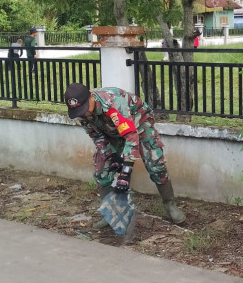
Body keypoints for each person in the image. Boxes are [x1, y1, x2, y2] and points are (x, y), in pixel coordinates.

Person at [63, 82, 186, 226]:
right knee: (102, 171)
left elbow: (131, 137)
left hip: (139, 124)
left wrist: (125, 172)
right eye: (79, 112)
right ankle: (111, 214)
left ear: (91, 97)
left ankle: (170, 205)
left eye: (85, 109)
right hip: (111, 131)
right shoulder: (82, 113)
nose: (84, 114)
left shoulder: (113, 103)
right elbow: (97, 136)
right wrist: (112, 156)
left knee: (155, 164)